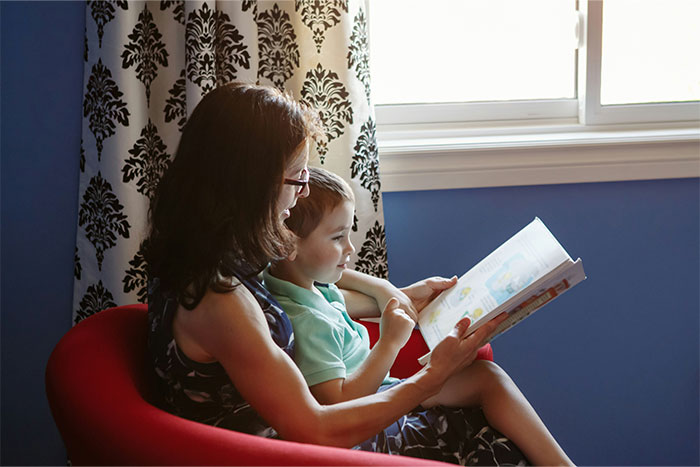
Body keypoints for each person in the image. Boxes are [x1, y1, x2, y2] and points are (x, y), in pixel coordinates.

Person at [146, 82, 532, 465]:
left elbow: (300, 296)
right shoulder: (221, 301)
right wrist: (432, 376)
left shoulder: (209, 252)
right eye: (296, 177)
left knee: (487, 409)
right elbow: (318, 429)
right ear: (251, 184)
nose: (302, 192)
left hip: (295, 438)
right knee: (484, 435)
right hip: (287, 453)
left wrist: (395, 295)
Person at [264, 167, 574, 466]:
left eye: (349, 233)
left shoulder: (307, 287)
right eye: (337, 237)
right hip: (370, 421)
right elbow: (340, 405)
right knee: (487, 405)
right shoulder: (307, 321)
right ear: (289, 245)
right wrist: (389, 343)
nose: (350, 248)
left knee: (487, 382)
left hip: (386, 394)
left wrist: (394, 292)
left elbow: (342, 290)